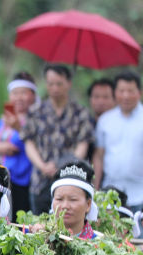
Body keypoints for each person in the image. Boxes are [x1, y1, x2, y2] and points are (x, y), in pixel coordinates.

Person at [93, 71, 143, 212]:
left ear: (140, 93)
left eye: (130, 91)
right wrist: (95, 189)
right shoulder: (105, 120)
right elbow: (99, 156)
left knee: (142, 234)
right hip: (110, 195)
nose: (126, 96)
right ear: (115, 93)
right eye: (121, 91)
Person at [21, 65, 94, 214]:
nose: (55, 88)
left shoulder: (80, 113)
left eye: (59, 83)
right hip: (40, 182)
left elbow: (82, 145)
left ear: (68, 83)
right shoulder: (36, 112)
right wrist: (42, 166)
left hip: (70, 180)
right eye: (50, 83)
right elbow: (29, 143)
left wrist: (63, 166)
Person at [0, 72, 37, 216]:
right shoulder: (2, 122)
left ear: (33, 96)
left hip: (22, 181)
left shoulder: (36, 121)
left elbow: (35, 145)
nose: (18, 97)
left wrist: (19, 129)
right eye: (14, 93)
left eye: (23, 93)